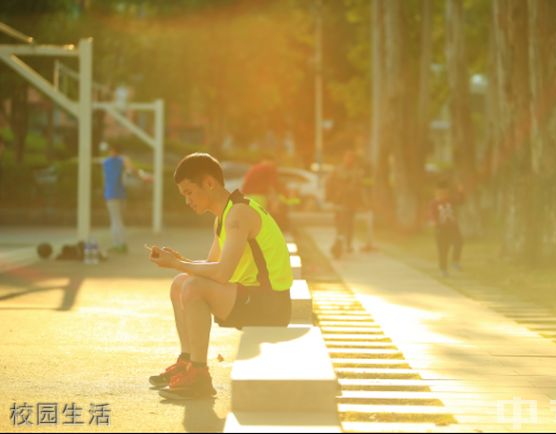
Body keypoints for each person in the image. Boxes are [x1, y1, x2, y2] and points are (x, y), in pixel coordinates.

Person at [146, 152, 293, 400]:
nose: (187, 201)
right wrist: (181, 262)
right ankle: (187, 361)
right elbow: (212, 266)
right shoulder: (223, 217)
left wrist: (179, 263)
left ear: (210, 184)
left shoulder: (238, 214)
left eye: (189, 192)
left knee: (191, 285)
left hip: (270, 304)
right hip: (252, 297)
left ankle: (200, 376)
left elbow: (221, 273)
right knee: (180, 284)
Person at [101, 141, 150, 254]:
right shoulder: (123, 160)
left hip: (110, 194)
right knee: (119, 220)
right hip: (121, 194)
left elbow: (105, 178)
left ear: (112, 150)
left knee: (115, 220)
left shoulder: (106, 162)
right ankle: (121, 244)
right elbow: (133, 171)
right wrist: (144, 177)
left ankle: (118, 244)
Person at [326, 150, 364, 258]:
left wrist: (361, 202)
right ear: (344, 158)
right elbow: (329, 183)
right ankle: (339, 242)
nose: (349, 160)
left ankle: (348, 244)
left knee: (350, 224)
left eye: (351, 158)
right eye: (347, 157)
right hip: (339, 201)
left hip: (351, 202)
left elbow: (359, 188)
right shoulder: (337, 170)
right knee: (339, 223)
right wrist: (330, 197)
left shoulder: (357, 172)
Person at [430, 179, 464, 277]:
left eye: (445, 193)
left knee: (459, 242)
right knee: (443, 250)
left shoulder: (451, 200)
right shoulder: (434, 203)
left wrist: (461, 191)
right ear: (436, 193)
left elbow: (461, 201)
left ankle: (455, 261)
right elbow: (431, 214)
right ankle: (443, 269)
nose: (443, 195)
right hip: (441, 229)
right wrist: (433, 222)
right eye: (440, 193)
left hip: (453, 227)